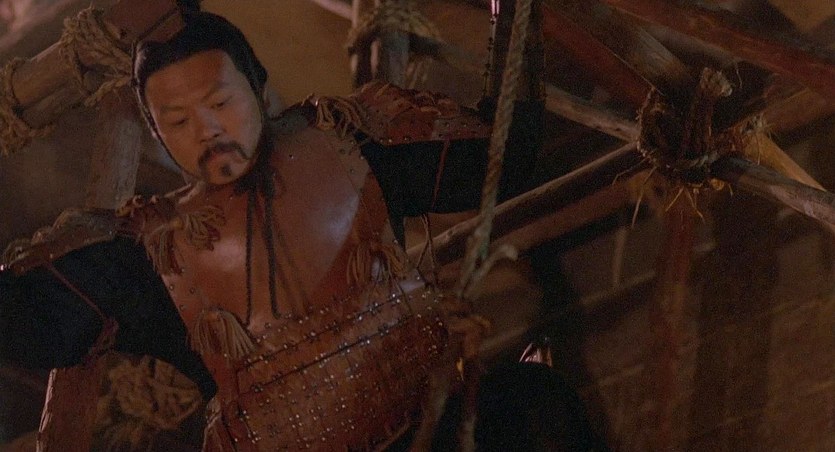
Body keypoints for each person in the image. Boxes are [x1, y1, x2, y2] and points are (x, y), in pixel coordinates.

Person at [1, 10, 542, 450]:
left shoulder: (352, 141)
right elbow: (25, 324)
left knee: (536, 406)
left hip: (430, 429)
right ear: (157, 134)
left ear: (257, 86)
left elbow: (503, 156)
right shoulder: (148, 253)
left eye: (220, 102)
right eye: (178, 121)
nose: (207, 129)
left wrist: (514, 14)